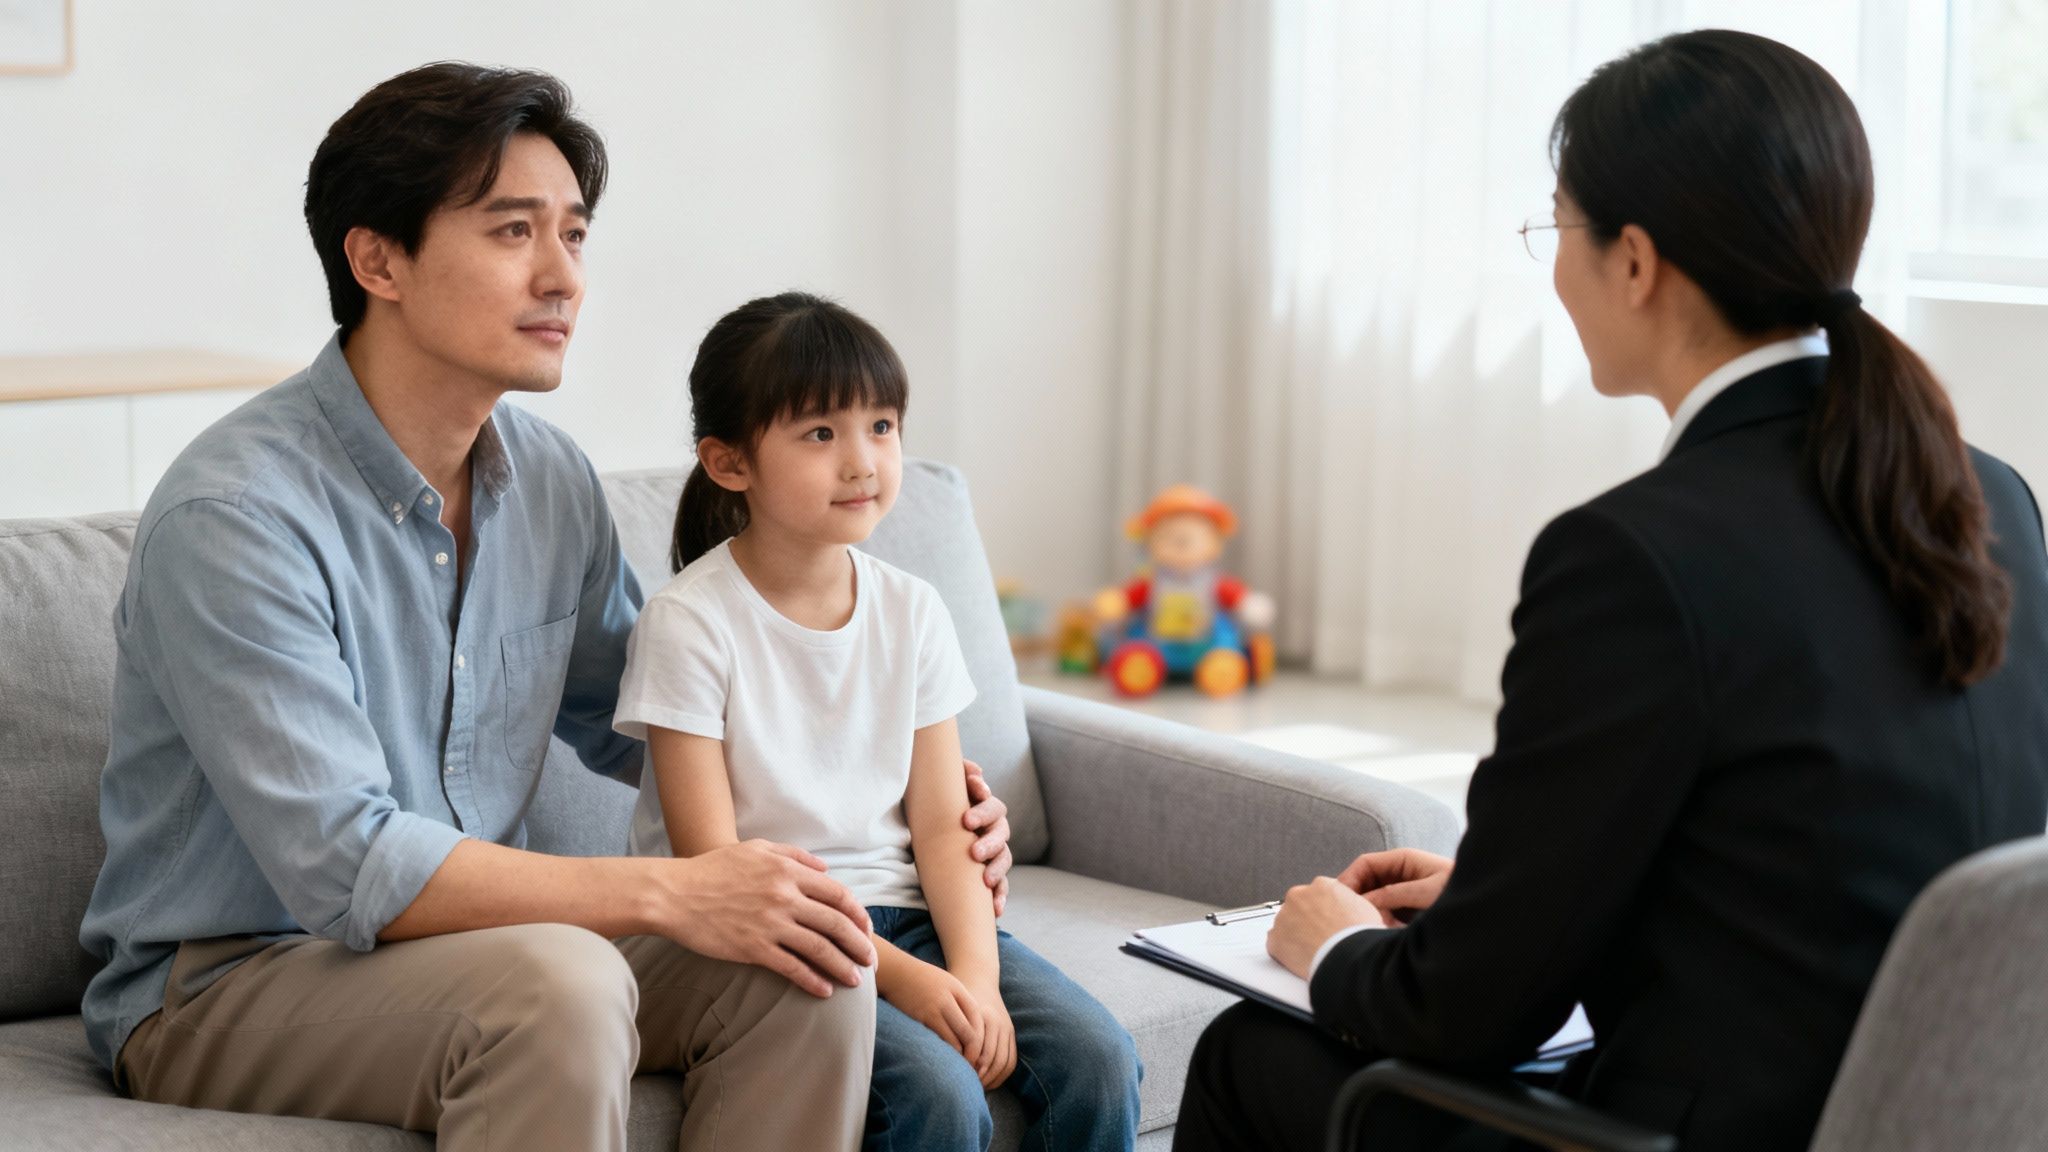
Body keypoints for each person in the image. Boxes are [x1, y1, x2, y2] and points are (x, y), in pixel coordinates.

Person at [77, 64, 1016, 1152]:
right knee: (561, 979)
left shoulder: (548, 482)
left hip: (494, 950)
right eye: (513, 233)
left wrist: (918, 786)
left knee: (804, 963)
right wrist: (666, 895)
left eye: (573, 235)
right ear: (377, 258)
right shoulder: (235, 515)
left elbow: (664, 711)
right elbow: (346, 862)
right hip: (229, 979)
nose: (562, 276)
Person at [1174, 29, 2048, 1152]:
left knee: (1252, 1058)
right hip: (1923, 1116)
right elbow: (1820, 848)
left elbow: (1458, 1021)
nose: (1555, 263)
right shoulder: (1993, 500)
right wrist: (1501, 894)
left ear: (1632, 261)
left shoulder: (1632, 558)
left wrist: (1337, 946)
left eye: (1558, 227)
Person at [614, 291, 1144, 1152]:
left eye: (883, 426)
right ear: (728, 462)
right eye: (821, 433)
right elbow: (714, 865)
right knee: (938, 1097)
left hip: (911, 913)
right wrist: (907, 983)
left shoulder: (913, 610)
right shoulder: (689, 622)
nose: (863, 460)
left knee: (1099, 1059)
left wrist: (974, 975)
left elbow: (942, 823)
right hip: (771, 938)